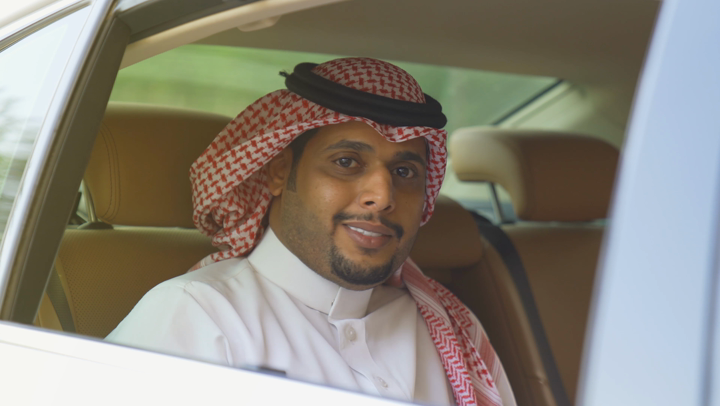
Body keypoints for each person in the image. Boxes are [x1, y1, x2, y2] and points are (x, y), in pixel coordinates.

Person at [106, 57, 515, 406]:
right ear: (280, 172)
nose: (382, 195)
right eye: (347, 162)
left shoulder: (445, 327)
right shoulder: (200, 317)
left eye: (405, 171)